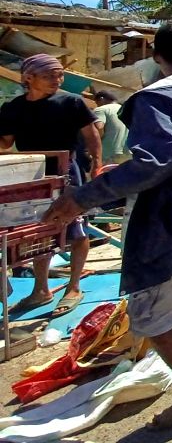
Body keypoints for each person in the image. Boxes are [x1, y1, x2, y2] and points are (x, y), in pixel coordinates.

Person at [43, 22, 172, 431]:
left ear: (155, 56)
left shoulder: (154, 99)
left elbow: (160, 161)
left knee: (149, 312)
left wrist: (82, 197)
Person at [0, 54, 100, 317]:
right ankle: (41, 289)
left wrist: (96, 164)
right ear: (28, 78)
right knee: (37, 232)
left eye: (59, 75)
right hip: (31, 177)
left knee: (77, 229)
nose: (57, 80)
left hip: (67, 172)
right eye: (49, 75)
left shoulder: (70, 103)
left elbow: (92, 135)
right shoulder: (13, 108)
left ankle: (74, 286)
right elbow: (6, 142)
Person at [93, 91, 130, 164]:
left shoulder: (101, 109)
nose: (97, 105)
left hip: (108, 154)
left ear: (101, 99)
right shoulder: (126, 109)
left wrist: (93, 147)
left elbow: (99, 127)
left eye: (97, 103)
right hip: (127, 153)